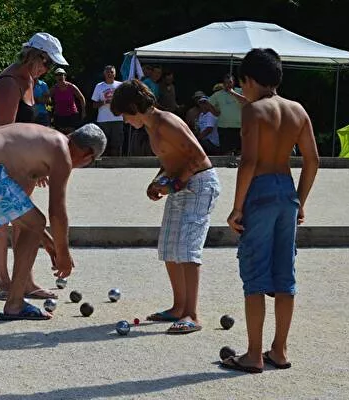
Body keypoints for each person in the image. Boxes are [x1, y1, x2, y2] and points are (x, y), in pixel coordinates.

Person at [0, 123, 107, 320]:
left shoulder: (39, 144)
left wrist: (49, 242)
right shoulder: (61, 151)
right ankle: (15, 304)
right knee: (35, 222)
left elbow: (19, 209)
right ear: (87, 155)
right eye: (90, 162)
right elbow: (56, 211)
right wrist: (63, 253)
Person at [222, 48, 319, 373]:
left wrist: (237, 208)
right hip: (286, 191)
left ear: (249, 80)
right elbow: (312, 160)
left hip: (260, 191)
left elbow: (248, 161)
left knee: (255, 274)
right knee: (284, 275)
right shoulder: (297, 110)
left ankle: (252, 354)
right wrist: (300, 201)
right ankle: (279, 349)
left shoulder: (254, 111)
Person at [111, 80, 221, 334]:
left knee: (187, 247)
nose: (126, 121)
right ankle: (178, 306)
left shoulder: (167, 122)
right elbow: (171, 159)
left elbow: (196, 156)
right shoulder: (151, 127)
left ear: (134, 107)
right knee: (169, 245)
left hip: (199, 184)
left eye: (126, 115)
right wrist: (157, 182)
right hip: (182, 184)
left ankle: (192, 314)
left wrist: (172, 185)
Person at [0, 32, 68, 301]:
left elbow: (22, 132)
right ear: (35, 56)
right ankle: (5, 284)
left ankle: (24, 282)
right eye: (48, 63)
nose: (49, 70)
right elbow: (6, 136)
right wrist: (25, 167)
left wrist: (34, 165)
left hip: (12, 162)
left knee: (22, 223)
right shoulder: (9, 83)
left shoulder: (29, 80)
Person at [208, 73, 248, 155]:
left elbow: (246, 102)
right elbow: (208, 103)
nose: (227, 84)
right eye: (225, 83)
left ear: (233, 82)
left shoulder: (240, 91)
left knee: (240, 150)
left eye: (229, 82)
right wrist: (215, 112)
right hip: (224, 127)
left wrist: (233, 93)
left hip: (239, 126)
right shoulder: (218, 94)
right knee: (226, 150)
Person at [91, 65, 124, 156]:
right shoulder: (99, 86)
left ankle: (118, 164)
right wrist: (105, 102)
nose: (110, 74)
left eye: (112, 72)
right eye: (107, 72)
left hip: (118, 119)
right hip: (103, 119)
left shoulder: (120, 85)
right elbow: (94, 105)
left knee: (117, 144)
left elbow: (125, 102)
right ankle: (103, 165)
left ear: (115, 74)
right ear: (104, 74)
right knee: (103, 143)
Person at [50, 68, 86, 133]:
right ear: (55, 77)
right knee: (60, 135)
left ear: (65, 76)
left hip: (72, 115)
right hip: (59, 116)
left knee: (71, 135)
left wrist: (83, 111)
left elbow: (81, 98)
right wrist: (49, 111)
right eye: (57, 75)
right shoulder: (54, 89)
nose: (60, 76)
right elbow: (47, 99)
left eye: (61, 74)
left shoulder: (71, 86)